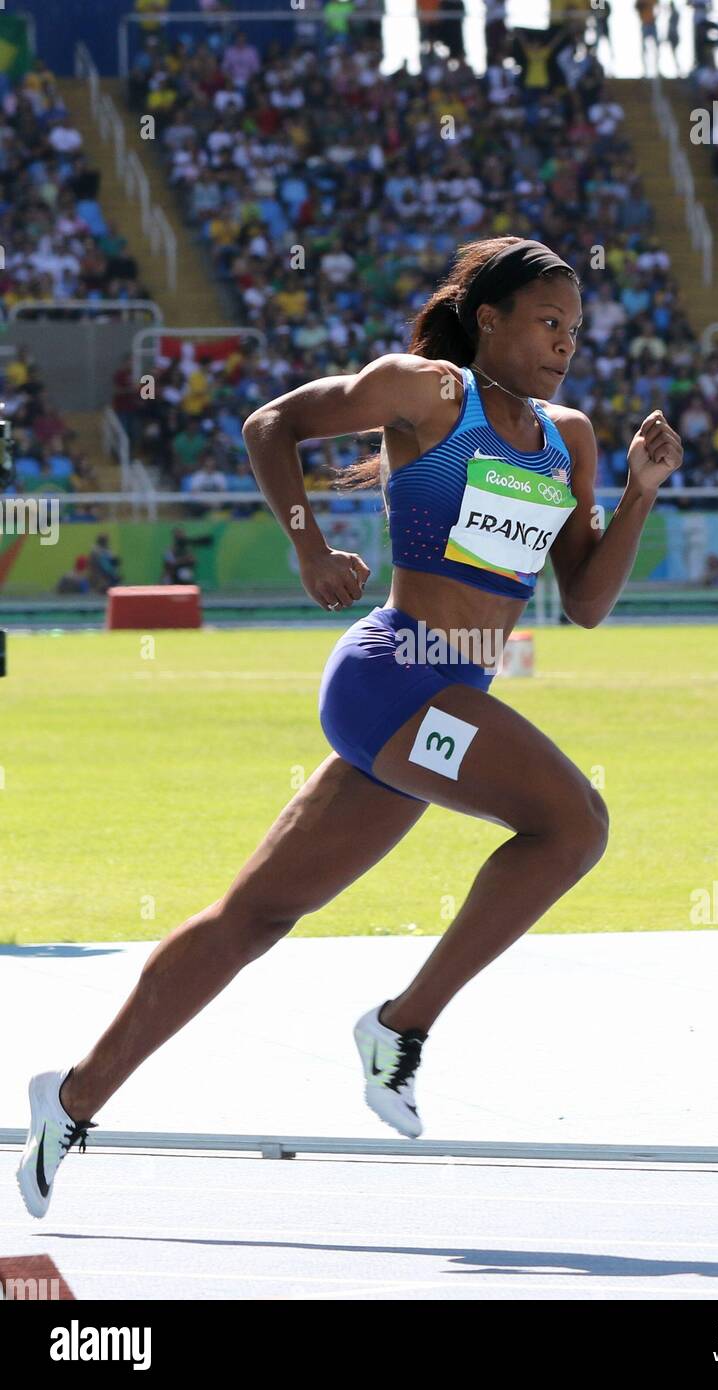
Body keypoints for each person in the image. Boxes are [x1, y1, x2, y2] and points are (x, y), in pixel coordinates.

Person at [15, 237, 682, 1218]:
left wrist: (637, 494)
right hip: (395, 677)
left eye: (576, 330)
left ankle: (69, 1098)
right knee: (573, 824)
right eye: (547, 322)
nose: (565, 345)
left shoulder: (567, 436)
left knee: (255, 917)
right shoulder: (425, 393)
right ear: (487, 318)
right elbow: (269, 423)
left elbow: (581, 601)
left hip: (443, 702)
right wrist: (307, 546)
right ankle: (399, 1027)